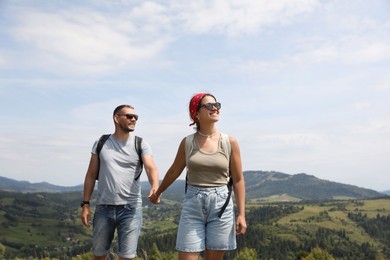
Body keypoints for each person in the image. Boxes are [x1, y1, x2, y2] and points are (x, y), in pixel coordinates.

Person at [149, 93, 247, 260]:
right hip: (193, 204)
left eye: (217, 104)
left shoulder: (230, 142)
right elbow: (174, 171)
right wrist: (158, 192)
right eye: (208, 105)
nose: (215, 108)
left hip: (221, 205)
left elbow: (238, 180)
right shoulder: (187, 142)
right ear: (196, 114)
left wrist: (241, 214)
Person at [81, 104, 159, 260]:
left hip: (130, 208)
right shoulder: (101, 142)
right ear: (116, 118)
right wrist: (85, 204)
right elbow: (90, 174)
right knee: (99, 256)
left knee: (127, 257)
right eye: (129, 116)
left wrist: (155, 186)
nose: (133, 119)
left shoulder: (140, 143)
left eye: (135, 117)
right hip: (103, 208)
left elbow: (151, 168)